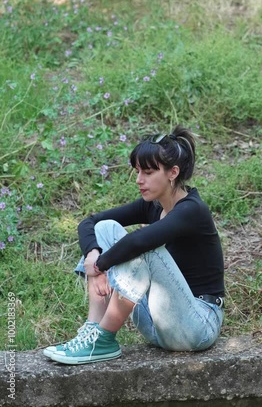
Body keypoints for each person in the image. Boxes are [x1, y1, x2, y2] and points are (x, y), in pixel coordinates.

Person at [43, 125, 225, 365]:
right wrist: (92, 255)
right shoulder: (153, 205)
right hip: (157, 324)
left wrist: (100, 265)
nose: (139, 180)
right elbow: (90, 222)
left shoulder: (192, 210)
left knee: (144, 249)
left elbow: (138, 242)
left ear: (173, 173)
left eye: (148, 172)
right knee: (105, 228)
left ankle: (103, 339)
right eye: (138, 171)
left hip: (198, 325)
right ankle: (93, 331)